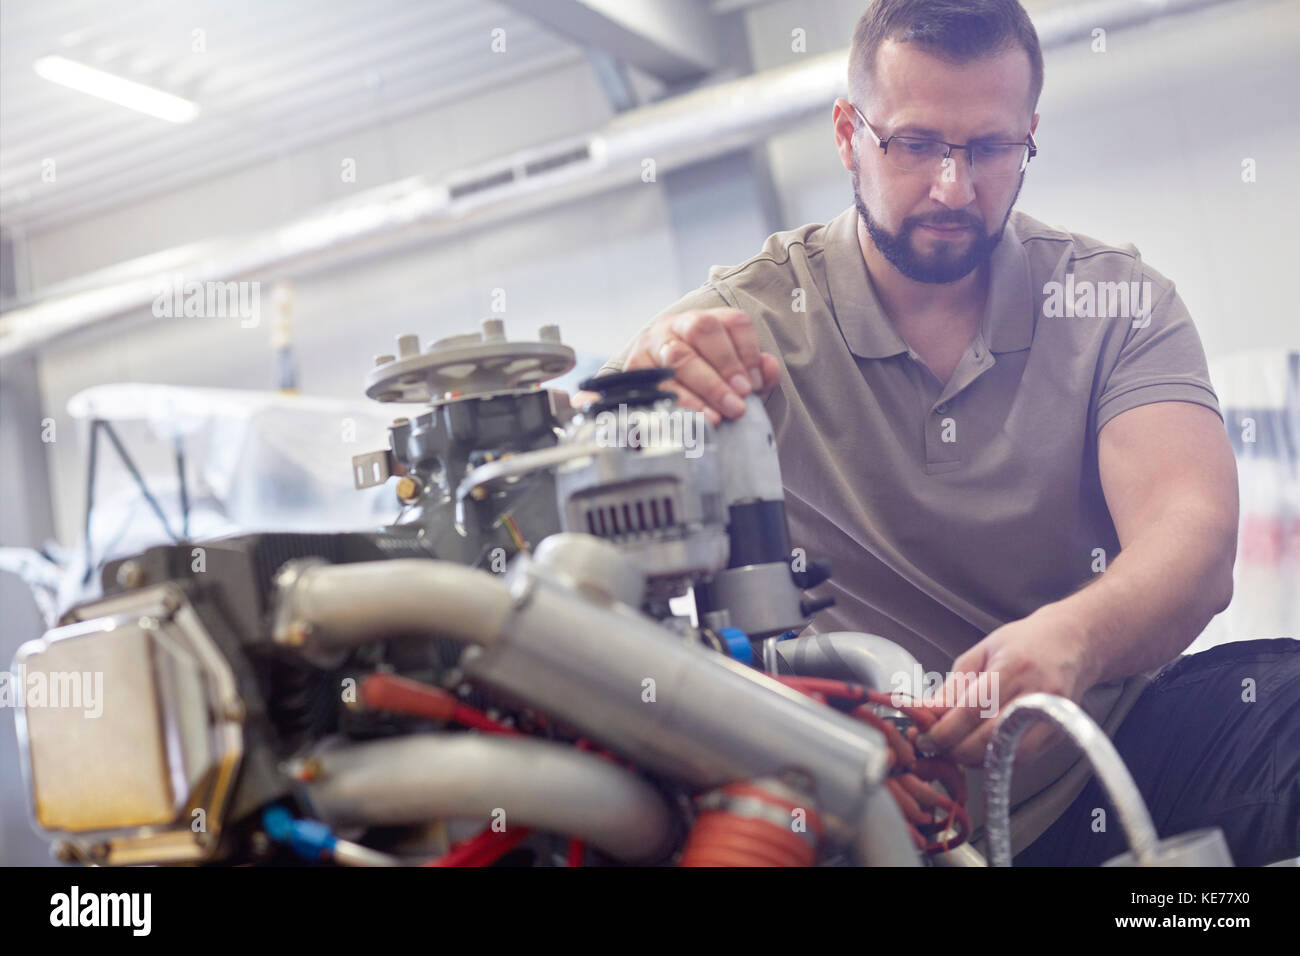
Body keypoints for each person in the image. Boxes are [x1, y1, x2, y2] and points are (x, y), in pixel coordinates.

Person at [582, 0, 1300, 866]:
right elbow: (588, 546)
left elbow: (1193, 539)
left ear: (1029, 135)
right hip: (864, 805)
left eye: (991, 148)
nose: (955, 186)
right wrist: (645, 399)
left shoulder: (1117, 303)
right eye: (916, 144)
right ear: (849, 133)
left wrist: (1073, 643)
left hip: (1101, 764)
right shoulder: (738, 327)